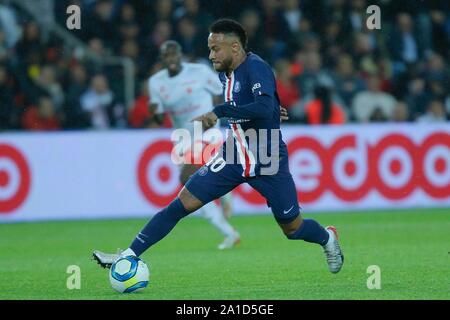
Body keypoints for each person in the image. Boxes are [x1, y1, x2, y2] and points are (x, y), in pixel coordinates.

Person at [93, 19, 344, 274]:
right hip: (233, 155)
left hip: (267, 158)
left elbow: (263, 105)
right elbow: (259, 105)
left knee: (292, 228)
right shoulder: (225, 72)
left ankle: (327, 238)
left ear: (235, 48)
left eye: (216, 48)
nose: (211, 54)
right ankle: (128, 255)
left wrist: (224, 111)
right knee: (182, 204)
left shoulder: (256, 68)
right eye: (210, 48)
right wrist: (264, 111)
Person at [147, 40, 240, 250]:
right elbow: (159, 117)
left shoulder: (199, 71)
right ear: (162, 59)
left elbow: (223, 90)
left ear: (180, 55)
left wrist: (215, 114)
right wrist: (154, 112)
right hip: (183, 137)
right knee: (191, 188)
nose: (171, 59)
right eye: (166, 56)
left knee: (186, 178)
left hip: (207, 130)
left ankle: (225, 192)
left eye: (174, 55)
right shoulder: (156, 83)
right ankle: (229, 231)